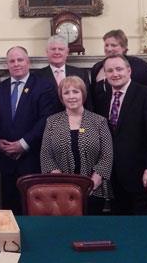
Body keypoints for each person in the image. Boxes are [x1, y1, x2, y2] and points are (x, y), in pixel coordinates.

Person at [0, 46, 60, 213]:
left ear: (28, 62)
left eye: (20, 60)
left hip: (32, 159)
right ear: (7, 64)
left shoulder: (44, 86)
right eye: (12, 61)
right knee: (9, 210)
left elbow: (46, 119)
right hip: (6, 160)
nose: (16, 64)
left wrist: (23, 144)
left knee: (34, 210)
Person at [94, 54, 147, 215]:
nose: (115, 74)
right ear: (105, 75)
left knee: (142, 227)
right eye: (110, 70)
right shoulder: (102, 98)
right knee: (119, 224)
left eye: (119, 69)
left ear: (129, 71)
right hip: (113, 178)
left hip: (142, 175)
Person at [40, 76, 113, 215]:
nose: (71, 96)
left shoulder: (99, 121)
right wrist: (62, 182)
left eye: (76, 91)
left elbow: (107, 155)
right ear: (61, 97)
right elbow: (46, 155)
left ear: (83, 94)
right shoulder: (52, 122)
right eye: (66, 93)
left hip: (95, 190)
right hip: (61, 191)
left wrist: (94, 182)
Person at [90, 29, 147, 108]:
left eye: (113, 45)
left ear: (124, 47)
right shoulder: (97, 68)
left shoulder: (140, 66)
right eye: (106, 45)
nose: (109, 49)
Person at [35, 35, 92, 109]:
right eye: (53, 49)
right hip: (46, 119)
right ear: (47, 52)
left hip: (77, 119)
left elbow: (88, 103)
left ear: (67, 52)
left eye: (61, 49)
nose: (57, 52)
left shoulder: (81, 74)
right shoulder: (37, 76)